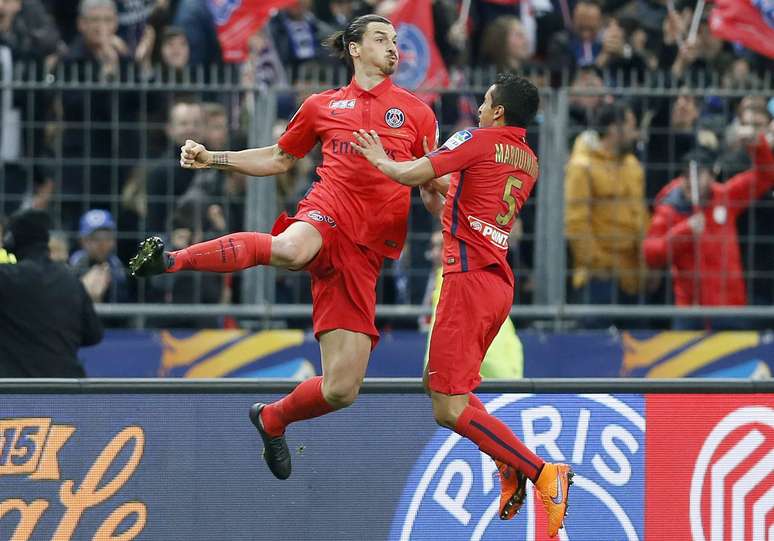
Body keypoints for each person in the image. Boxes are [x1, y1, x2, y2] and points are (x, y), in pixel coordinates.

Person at [129, 15, 439, 480]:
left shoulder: (419, 113)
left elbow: (430, 188)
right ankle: (172, 260)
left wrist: (449, 201)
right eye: (381, 39)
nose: (393, 48)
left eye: (395, 41)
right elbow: (278, 157)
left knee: (341, 390)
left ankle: (272, 419)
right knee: (291, 249)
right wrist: (214, 157)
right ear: (355, 49)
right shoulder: (322, 106)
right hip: (326, 214)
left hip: (366, 252)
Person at [350, 73, 571, 538]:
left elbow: (412, 174)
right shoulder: (527, 160)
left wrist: (378, 157)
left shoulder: (476, 138)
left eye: (486, 102)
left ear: (499, 113)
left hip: (467, 281)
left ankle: (540, 472)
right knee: (440, 386)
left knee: (447, 409)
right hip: (496, 284)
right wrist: (436, 191)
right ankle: (507, 465)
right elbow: (465, 210)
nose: (479, 107)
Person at [643, 133, 774, 328]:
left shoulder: (726, 196)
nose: (690, 181)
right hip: (691, 311)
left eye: (697, 175)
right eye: (685, 175)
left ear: (712, 176)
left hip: (730, 307)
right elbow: (651, 253)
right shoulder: (669, 209)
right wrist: (685, 231)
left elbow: (765, 176)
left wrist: (758, 147)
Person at [0, 209, 103, 377]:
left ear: (12, 243)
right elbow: (94, 335)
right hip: (65, 390)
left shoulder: (6, 278)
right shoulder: (71, 280)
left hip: (17, 392)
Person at [70, 209, 129, 303]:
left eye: (107, 238)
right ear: (82, 241)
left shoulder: (117, 266)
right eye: (95, 239)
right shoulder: (72, 265)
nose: (102, 244)